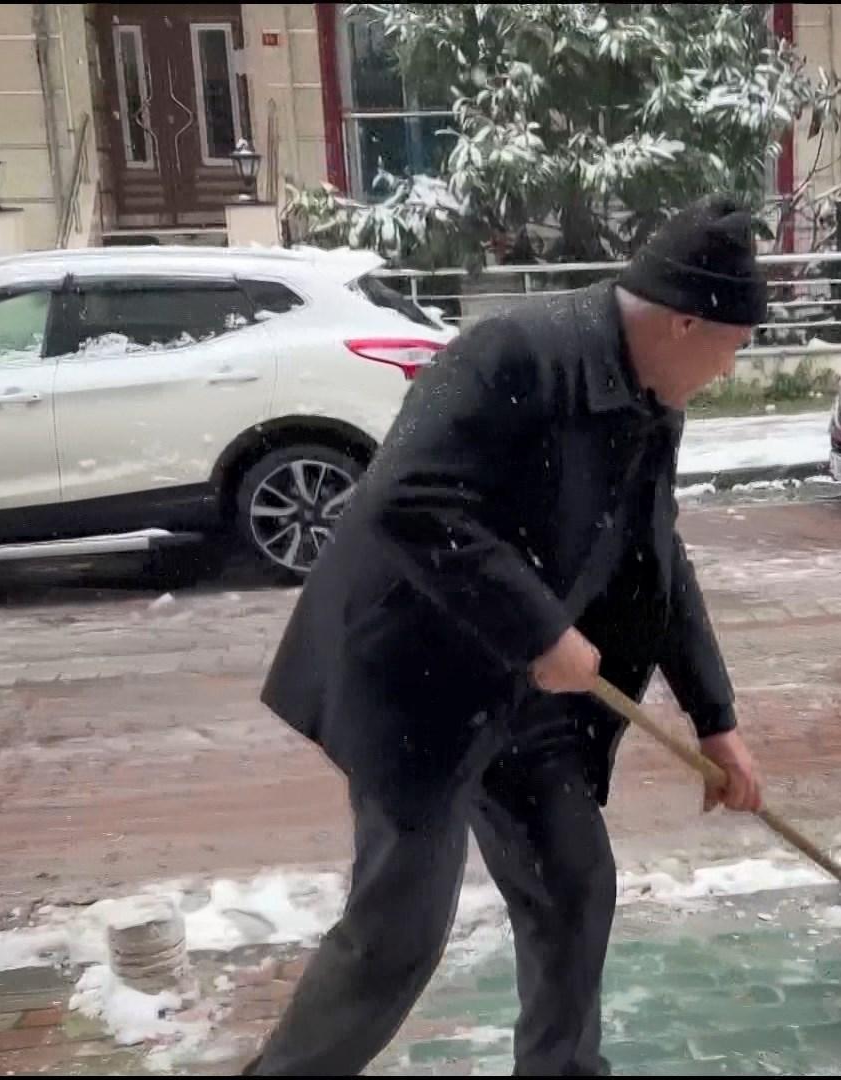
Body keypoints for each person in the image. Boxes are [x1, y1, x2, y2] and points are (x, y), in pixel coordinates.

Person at [250, 195, 770, 1076]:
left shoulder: (651, 402)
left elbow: (657, 558)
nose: (728, 369)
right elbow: (407, 499)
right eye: (732, 348)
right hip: (413, 679)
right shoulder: (513, 353)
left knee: (572, 883)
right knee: (398, 932)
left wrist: (715, 719)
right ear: (685, 322)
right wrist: (538, 627)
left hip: (521, 689)